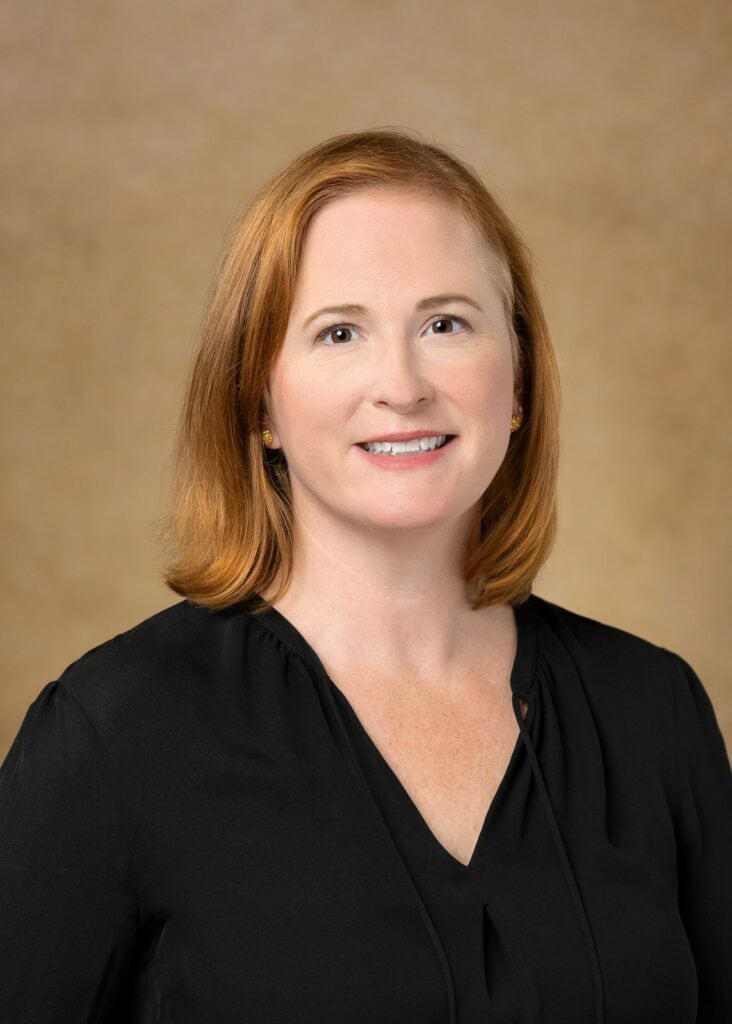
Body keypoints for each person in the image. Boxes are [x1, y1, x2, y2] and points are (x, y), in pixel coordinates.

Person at [0, 129, 730, 1024]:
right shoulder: (110, 737)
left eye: (445, 323)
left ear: (519, 382)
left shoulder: (655, 712)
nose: (401, 383)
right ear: (259, 401)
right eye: (339, 331)